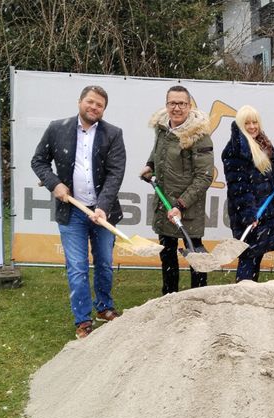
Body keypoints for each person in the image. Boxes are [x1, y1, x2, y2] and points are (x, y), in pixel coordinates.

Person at [31, 85, 126, 339]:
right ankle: (82, 320)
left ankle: (104, 307)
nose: (94, 108)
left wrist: (103, 207)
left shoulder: (113, 134)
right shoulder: (57, 128)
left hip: (102, 213)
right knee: (77, 267)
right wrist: (55, 183)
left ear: (103, 110)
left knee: (104, 263)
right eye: (90, 102)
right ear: (80, 102)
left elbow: (116, 173)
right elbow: (38, 161)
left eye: (99, 105)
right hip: (71, 211)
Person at [139, 85, 214, 295]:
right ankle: (169, 298)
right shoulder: (162, 129)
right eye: (173, 103)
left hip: (187, 207)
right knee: (168, 255)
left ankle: (198, 299)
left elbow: (205, 176)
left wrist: (180, 205)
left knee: (195, 254)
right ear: (166, 105)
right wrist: (150, 166)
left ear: (189, 106)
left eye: (182, 103)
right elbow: (158, 154)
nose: (177, 108)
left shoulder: (199, 136)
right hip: (164, 205)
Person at [222, 105, 274, 282]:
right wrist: (249, 214)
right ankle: (241, 296)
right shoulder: (235, 150)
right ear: (240, 125)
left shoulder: (262, 143)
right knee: (248, 256)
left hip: (263, 210)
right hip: (247, 212)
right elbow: (238, 187)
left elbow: (267, 172)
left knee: (256, 255)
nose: (252, 127)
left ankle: (249, 295)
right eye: (247, 123)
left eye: (255, 122)